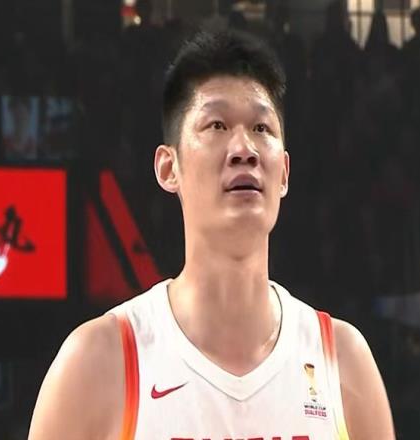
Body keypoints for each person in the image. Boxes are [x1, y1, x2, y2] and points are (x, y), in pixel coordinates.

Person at [28, 30, 395, 439]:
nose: (244, 149)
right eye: (216, 125)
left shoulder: (342, 363)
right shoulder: (98, 363)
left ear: (284, 173)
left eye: (261, 127)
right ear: (169, 168)